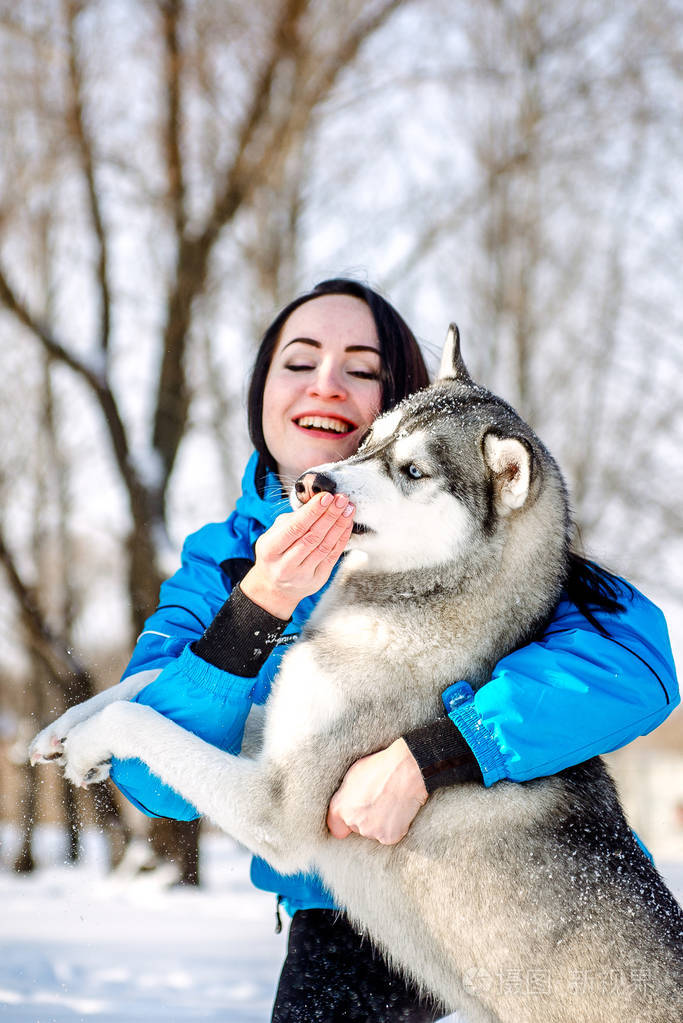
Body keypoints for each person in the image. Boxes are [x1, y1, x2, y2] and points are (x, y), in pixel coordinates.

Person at [109, 278, 679, 1022]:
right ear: (260, 390)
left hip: (513, 897)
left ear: (397, 396)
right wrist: (254, 609)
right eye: (299, 360)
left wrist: (443, 750)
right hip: (341, 910)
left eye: (361, 367)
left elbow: (635, 662)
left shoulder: (485, 545)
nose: (325, 384)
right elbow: (150, 778)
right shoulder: (219, 562)